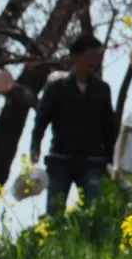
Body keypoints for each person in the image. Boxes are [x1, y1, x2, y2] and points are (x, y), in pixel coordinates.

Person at [28, 33, 117, 218]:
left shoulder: (102, 90)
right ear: (76, 57)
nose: (94, 62)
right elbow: (42, 117)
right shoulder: (57, 87)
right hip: (61, 157)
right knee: (55, 212)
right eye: (90, 56)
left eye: (97, 58)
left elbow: (109, 127)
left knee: (96, 212)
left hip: (93, 160)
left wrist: (111, 160)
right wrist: (35, 144)